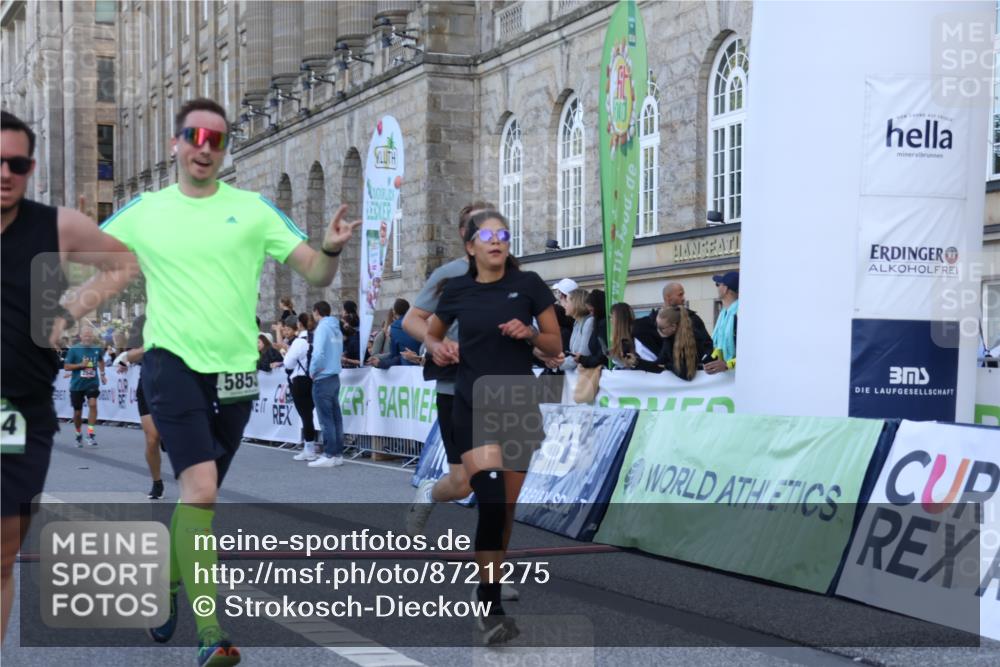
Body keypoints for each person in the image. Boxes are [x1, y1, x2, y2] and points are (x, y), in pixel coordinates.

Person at [98, 98, 359, 665]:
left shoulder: (255, 209)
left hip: (238, 370)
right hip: (172, 365)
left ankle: (168, 584)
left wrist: (333, 246)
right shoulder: (146, 209)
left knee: (201, 501)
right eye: (194, 136)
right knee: (204, 492)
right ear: (176, 144)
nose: (204, 146)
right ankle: (211, 634)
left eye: (216, 139)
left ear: (224, 150)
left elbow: (315, 269)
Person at [1, 110, 138, 640]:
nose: (5, 172)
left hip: (20, 412)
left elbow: (123, 264)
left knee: (4, 551)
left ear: (30, 167)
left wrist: (67, 311)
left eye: (16, 163)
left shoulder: (56, 226)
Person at [425, 210, 562, 644]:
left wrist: (529, 334)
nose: (497, 241)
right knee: (488, 501)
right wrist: (439, 346)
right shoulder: (458, 290)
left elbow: (556, 344)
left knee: (504, 507)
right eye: (487, 235)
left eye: (503, 234)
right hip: (474, 404)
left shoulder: (530, 285)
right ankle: (491, 609)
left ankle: (490, 583)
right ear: (471, 247)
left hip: (519, 404)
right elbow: (430, 332)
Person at [401, 201, 494, 538]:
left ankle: (492, 576)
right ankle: (430, 491)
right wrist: (436, 344)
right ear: (463, 234)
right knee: (462, 484)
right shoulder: (448, 275)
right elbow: (412, 319)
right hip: (455, 390)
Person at [632, 281, 712, 362]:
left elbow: (707, 346)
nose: (684, 298)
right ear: (668, 297)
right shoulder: (645, 326)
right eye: (680, 295)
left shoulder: (693, 319)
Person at [309, 301, 345, 468]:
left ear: (317, 312)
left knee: (326, 418)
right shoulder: (335, 327)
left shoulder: (322, 328)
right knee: (335, 417)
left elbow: (318, 353)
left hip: (323, 375)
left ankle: (329, 453)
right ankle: (337, 453)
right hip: (334, 375)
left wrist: (312, 370)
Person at [63, 326, 107, 447]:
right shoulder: (74, 350)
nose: (88, 337)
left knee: (93, 404)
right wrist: (81, 365)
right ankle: (78, 434)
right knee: (77, 413)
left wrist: (102, 374)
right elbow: (66, 367)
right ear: (81, 337)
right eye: (85, 335)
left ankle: (90, 433)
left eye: (90, 335)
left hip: (92, 383)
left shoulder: (97, 349)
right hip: (77, 385)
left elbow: (101, 361)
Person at [284, 312, 319, 462]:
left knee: (305, 415)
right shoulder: (316, 338)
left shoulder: (299, 342)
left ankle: (309, 448)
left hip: (300, 380)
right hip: (314, 378)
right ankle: (311, 446)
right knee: (310, 414)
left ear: (299, 324)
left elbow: (288, 363)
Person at [370, 298, 421, 368]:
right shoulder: (418, 322)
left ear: (395, 312)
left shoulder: (394, 327)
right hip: (422, 364)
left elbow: (394, 354)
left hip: (406, 367)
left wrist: (381, 363)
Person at [705, 271, 739, 374]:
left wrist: (727, 365)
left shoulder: (740, 314)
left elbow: (750, 354)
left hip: (740, 379)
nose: (717, 288)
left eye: (718, 285)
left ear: (725, 289)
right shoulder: (724, 313)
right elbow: (719, 347)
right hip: (727, 379)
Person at [558, 288, 593, 372]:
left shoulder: (589, 322)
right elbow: (574, 355)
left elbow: (581, 356)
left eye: (567, 301)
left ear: (576, 303)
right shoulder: (577, 322)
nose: (564, 305)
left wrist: (557, 364)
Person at [575, 289, 607, 369]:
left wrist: (582, 359)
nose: (591, 314)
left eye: (592, 311)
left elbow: (602, 356)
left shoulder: (603, 324)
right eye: (589, 311)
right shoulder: (597, 323)